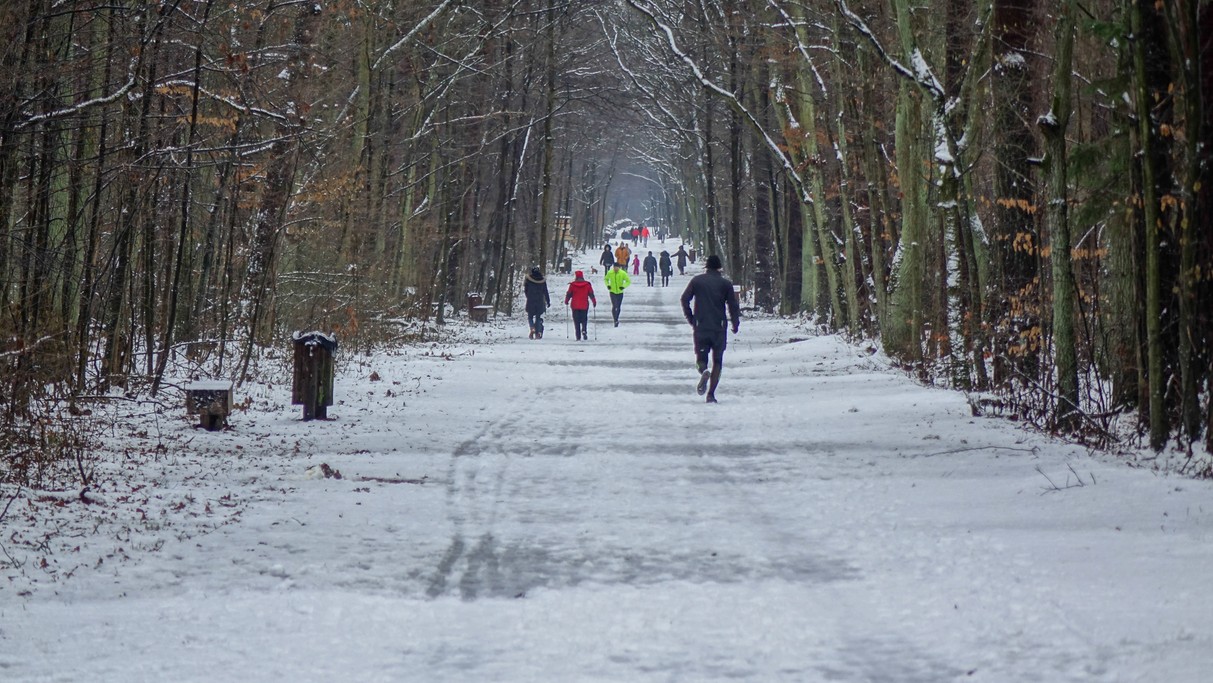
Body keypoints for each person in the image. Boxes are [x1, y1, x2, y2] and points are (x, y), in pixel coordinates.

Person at [680, 254, 740, 403]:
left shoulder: (697, 281)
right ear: (719, 267)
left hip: (701, 326)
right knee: (718, 361)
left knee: (701, 358)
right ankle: (711, 394)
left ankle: (703, 370)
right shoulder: (725, 284)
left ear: (706, 266)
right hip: (719, 327)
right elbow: (733, 305)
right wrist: (735, 322)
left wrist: (691, 318)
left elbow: (684, 299)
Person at [564, 270, 597, 341]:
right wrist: (594, 302)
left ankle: (578, 336)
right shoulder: (587, 284)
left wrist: (566, 301)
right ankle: (584, 330)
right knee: (584, 319)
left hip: (575, 305)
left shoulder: (572, 285)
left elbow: (569, 294)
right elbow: (591, 294)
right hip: (584, 305)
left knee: (576, 321)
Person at [524, 267, 551, 339]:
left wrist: (528, 296)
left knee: (530, 317)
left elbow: (526, 290)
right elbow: (545, 291)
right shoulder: (542, 280)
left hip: (531, 300)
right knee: (538, 317)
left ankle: (532, 327)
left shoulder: (528, 280)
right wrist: (548, 301)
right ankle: (537, 333)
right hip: (539, 301)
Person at [604, 262, 631, 327]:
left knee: (618, 306)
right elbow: (606, 279)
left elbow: (628, 281)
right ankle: (615, 320)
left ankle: (617, 318)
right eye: (614, 267)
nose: (615, 269)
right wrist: (608, 285)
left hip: (620, 292)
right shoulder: (610, 272)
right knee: (614, 305)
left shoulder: (622, 273)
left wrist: (623, 286)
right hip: (612, 291)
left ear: (619, 267)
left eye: (617, 267)